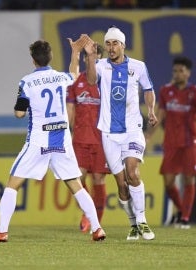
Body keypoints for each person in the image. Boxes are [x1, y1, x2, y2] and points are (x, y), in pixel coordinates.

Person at [0, 37, 106, 242]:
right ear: (51, 57)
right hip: (62, 138)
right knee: (76, 186)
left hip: (39, 139)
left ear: (33, 60)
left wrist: (22, 106)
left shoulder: (27, 82)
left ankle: (2, 231)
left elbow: (20, 113)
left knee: (13, 184)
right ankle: (97, 228)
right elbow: (75, 75)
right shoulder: (61, 77)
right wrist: (75, 53)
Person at [82, 26, 158, 241]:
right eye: (108, 43)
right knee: (121, 185)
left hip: (133, 129)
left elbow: (149, 89)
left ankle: (142, 221)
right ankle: (132, 224)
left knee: (133, 172)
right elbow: (89, 80)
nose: (111, 47)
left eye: (115, 43)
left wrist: (151, 111)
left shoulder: (138, 66)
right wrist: (89, 57)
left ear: (123, 45)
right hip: (108, 133)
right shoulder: (101, 66)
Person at [156, 56, 196, 229]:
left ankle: (185, 218)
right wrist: (148, 134)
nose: (177, 74)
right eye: (175, 71)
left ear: (188, 73)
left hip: (190, 142)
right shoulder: (166, 91)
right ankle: (182, 210)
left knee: (189, 180)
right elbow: (160, 115)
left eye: (181, 71)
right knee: (168, 181)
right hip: (171, 143)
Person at [66, 44, 110, 233]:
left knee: (99, 179)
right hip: (81, 139)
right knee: (78, 178)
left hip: (102, 139)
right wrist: (65, 132)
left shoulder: (107, 81)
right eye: (87, 56)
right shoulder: (76, 83)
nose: (90, 59)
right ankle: (87, 213)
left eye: (94, 57)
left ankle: (95, 222)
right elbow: (70, 109)